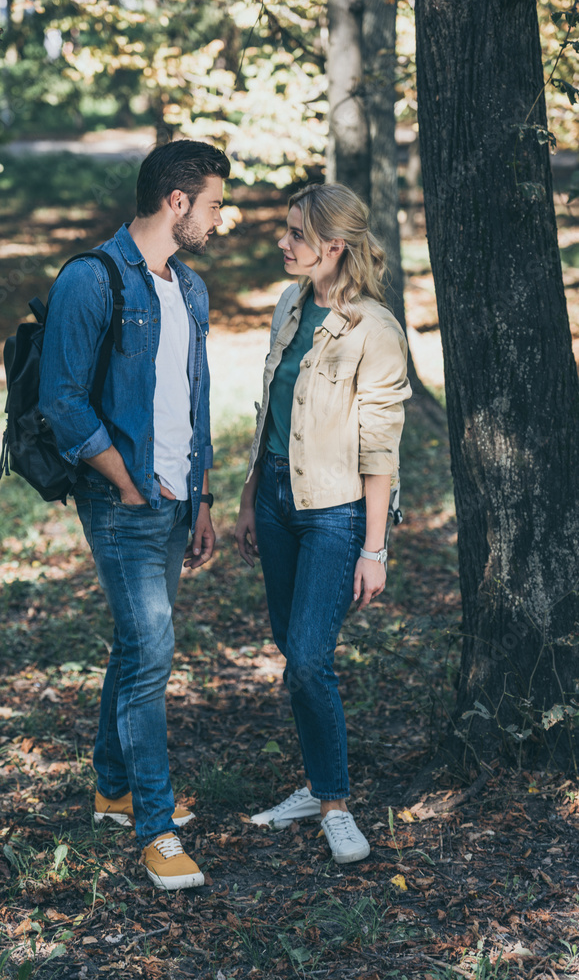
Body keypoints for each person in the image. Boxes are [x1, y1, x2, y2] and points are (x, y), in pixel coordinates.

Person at [39, 139, 230, 890]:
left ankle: (112, 788)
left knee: (135, 650)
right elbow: (61, 400)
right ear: (176, 202)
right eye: (214, 205)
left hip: (178, 501)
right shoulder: (91, 278)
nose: (220, 219)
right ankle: (156, 829)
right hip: (123, 503)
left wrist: (202, 497)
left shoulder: (192, 288)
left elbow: (195, 402)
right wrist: (123, 482)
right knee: (151, 655)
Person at [235, 183, 411, 864]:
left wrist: (375, 548)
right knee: (293, 647)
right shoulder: (289, 304)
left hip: (335, 511)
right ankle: (315, 786)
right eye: (286, 230)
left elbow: (380, 449)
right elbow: (269, 412)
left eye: (296, 234)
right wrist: (250, 499)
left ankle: (334, 803)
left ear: (334, 246)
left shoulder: (376, 329)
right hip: (277, 498)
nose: (283, 242)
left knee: (309, 658)